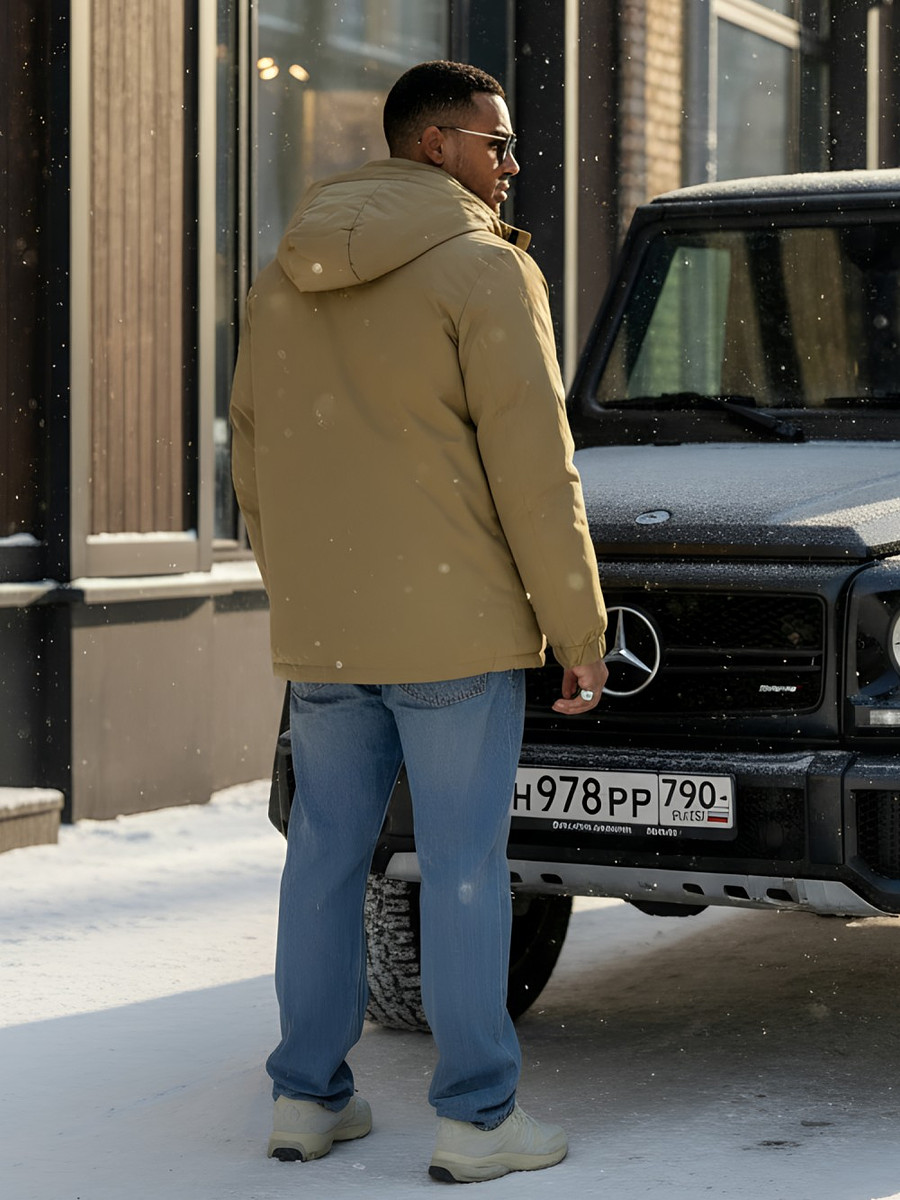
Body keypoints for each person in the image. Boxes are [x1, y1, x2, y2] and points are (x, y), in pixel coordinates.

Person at [230, 59, 608, 1185]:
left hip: (330, 634)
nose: (511, 167)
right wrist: (578, 629)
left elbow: (254, 459)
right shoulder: (485, 269)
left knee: (325, 862)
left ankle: (306, 1098)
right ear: (435, 145)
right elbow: (536, 471)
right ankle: (477, 1119)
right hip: (456, 630)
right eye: (498, 145)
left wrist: (303, 588)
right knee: (461, 869)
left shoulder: (283, 275)